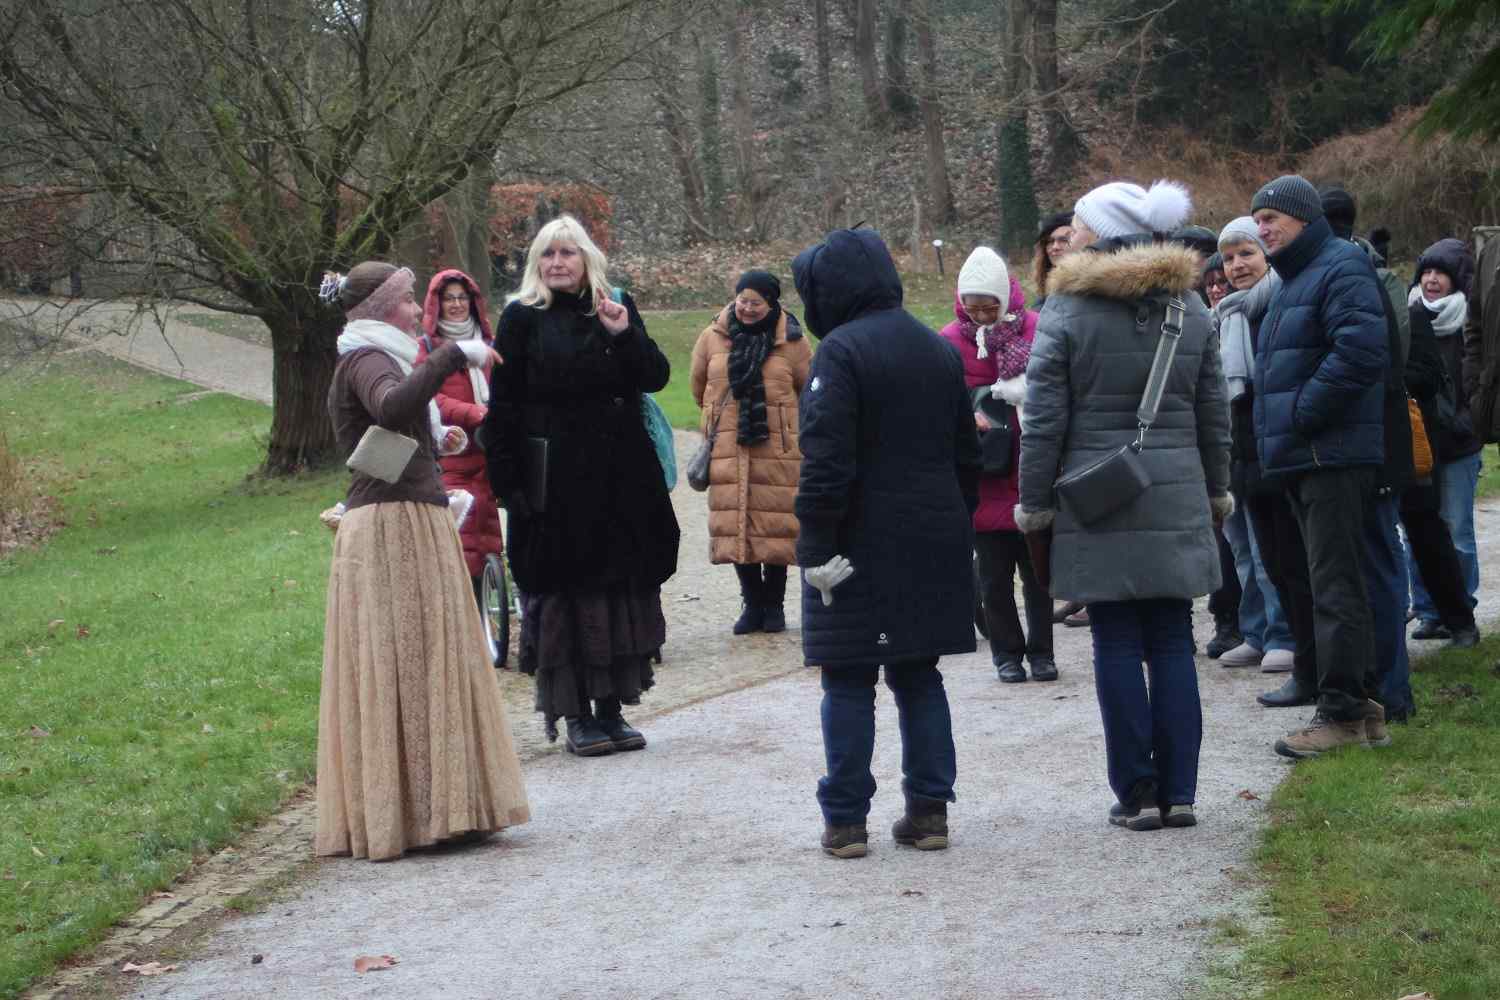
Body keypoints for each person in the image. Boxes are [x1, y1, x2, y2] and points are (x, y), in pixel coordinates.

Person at [1017, 179, 1231, 831]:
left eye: (1078, 225)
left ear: (1104, 233)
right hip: (1177, 491)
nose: (1069, 237)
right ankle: (1182, 790)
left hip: (1096, 497)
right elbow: (1213, 414)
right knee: (1172, 637)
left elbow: (1045, 421)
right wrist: (1216, 489)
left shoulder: (1066, 312)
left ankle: (1136, 792)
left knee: (1113, 639)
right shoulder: (1189, 307)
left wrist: (1034, 503)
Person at [316, 261, 529, 861]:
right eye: (409, 300)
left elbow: (381, 438)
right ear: (383, 307)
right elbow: (387, 407)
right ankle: (414, 813)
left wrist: (437, 443)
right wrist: (454, 356)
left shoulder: (377, 353)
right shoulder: (368, 358)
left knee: (421, 658)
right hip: (391, 526)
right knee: (405, 659)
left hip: (405, 512)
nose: (417, 311)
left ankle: (435, 808)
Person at [792, 227, 980, 859]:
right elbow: (966, 455)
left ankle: (845, 820)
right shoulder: (937, 347)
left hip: (858, 541)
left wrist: (814, 546)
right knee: (918, 674)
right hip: (933, 536)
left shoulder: (840, 352)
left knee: (847, 680)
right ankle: (930, 812)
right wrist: (958, 526)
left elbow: (826, 461)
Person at [481, 215, 680, 757]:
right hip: (556, 483)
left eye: (567, 253)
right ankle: (576, 714)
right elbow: (502, 407)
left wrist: (624, 333)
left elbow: (655, 376)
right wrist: (509, 483)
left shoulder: (615, 306)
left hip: (619, 479)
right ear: (535, 265)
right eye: (547, 255)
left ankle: (612, 708)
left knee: (616, 591)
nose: (557, 263)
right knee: (568, 596)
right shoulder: (522, 318)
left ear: (586, 258)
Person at [1248, 175, 1387, 759]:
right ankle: (1366, 707)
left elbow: (1359, 349)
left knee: (1334, 588)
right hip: (1305, 458)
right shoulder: (1293, 278)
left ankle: (1341, 717)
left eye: (1271, 218)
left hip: (1329, 455)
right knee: (1332, 584)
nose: (1262, 229)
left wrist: (1303, 414)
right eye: (1257, 221)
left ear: (1304, 216)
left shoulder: (1339, 267)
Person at [938, 246, 1053, 683]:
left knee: (1040, 574)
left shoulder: (1036, 330)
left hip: (1031, 467)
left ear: (1007, 299)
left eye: (991, 306)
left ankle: (1043, 652)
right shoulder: (949, 341)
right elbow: (939, 403)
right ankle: (1006, 653)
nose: (983, 316)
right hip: (983, 472)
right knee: (993, 579)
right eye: (974, 307)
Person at [689, 270, 812, 635]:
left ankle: (773, 604)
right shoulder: (713, 336)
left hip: (778, 446)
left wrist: (789, 427)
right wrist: (717, 419)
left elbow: (808, 390)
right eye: (742, 300)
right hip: (729, 442)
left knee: (777, 524)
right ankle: (751, 601)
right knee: (734, 523)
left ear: (771, 303)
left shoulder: (792, 340)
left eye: (755, 302)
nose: (746, 308)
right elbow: (699, 386)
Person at [1212, 219, 1296, 674]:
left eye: (1246, 253)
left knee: (1270, 553)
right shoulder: (1226, 314)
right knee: (1242, 549)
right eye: (1228, 257)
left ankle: (1284, 634)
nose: (1237, 265)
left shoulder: (1278, 303)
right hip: (1234, 449)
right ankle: (1256, 632)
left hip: (1270, 445)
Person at [1406, 238, 1483, 641]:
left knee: (1456, 530)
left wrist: (1467, 422)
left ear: (1457, 281)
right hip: (1420, 444)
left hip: (1457, 445)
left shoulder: (1469, 320)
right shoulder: (1408, 316)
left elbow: (1479, 378)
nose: (1432, 279)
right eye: (1426, 272)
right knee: (1417, 530)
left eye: (1441, 273)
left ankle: (1461, 606)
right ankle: (1427, 610)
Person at [415, 269, 502, 619]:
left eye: (461, 298)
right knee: (462, 530)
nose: (455, 305)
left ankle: (489, 604)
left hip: (490, 450)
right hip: (454, 450)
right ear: (436, 304)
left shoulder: (489, 345)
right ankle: (464, 611)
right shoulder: (428, 349)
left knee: (491, 528)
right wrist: (473, 412)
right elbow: (429, 398)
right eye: (448, 298)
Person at [1031, 210, 1075, 307]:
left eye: (1064, 240)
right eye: (1050, 241)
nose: (1055, 247)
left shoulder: (1090, 289)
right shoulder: (1045, 291)